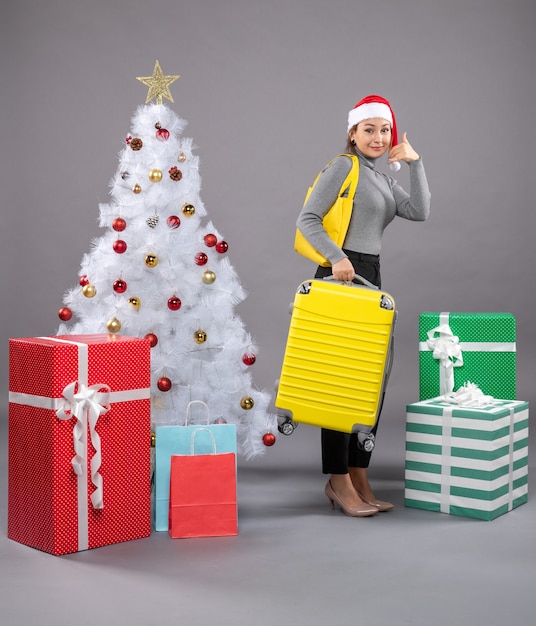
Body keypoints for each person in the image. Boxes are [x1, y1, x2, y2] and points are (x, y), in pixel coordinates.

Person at [296, 94, 431, 517]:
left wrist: (414, 162)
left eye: (385, 129)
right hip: (341, 277)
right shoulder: (343, 166)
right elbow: (307, 219)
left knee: (371, 381)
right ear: (352, 133)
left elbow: (419, 211)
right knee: (340, 383)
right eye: (369, 129)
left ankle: (359, 473)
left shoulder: (382, 178)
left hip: (371, 277)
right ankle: (337, 481)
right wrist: (337, 258)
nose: (378, 137)